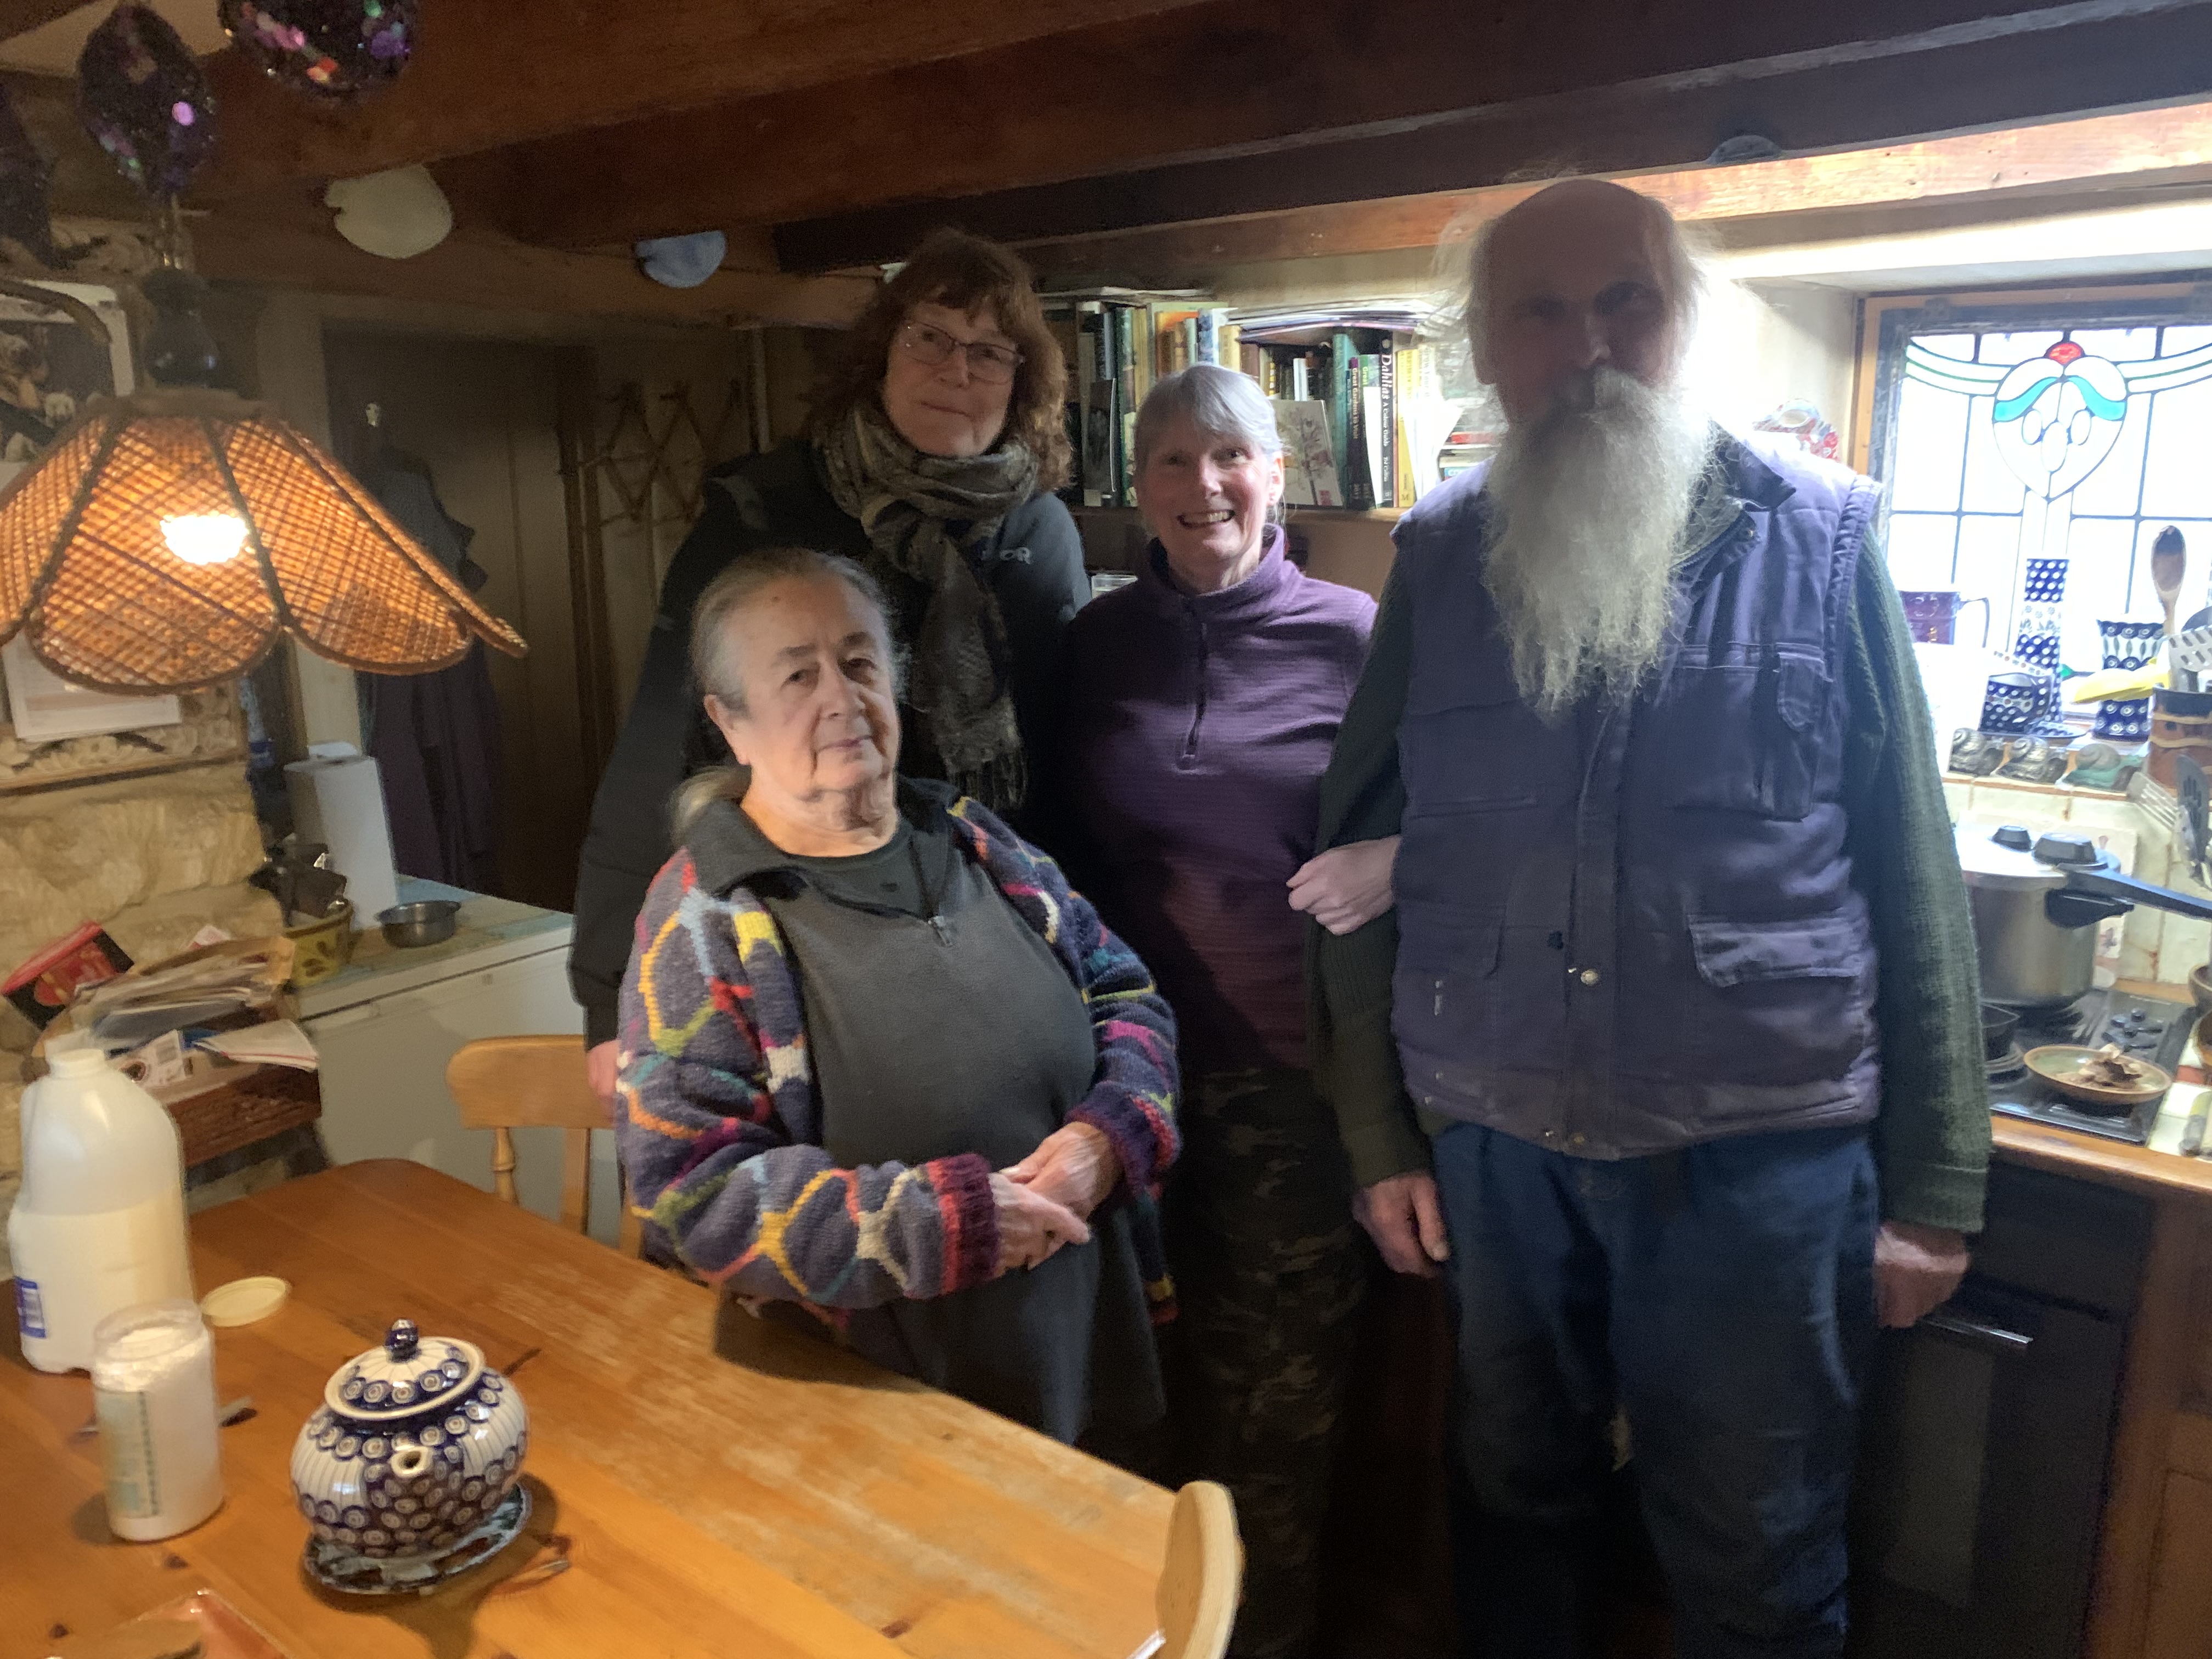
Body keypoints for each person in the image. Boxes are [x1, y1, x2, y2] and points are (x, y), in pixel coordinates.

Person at [1310, 178, 1991, 1657]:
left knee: (1761, 1556)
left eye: (1629, 301)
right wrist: (1380, 1141)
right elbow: (1350, 866)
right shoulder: (1434, 560)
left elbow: (1912, 864)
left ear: (1688, 321)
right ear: (1485, 346)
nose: (1592, 346)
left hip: (1762, 1161)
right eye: (1543, 312)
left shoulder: (1824, 538)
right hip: (1494, 1148)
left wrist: (1936, 1183)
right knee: (1509, 1512)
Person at [615, 547, 1177, 1443]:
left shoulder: (971, 837)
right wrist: (947, 1224)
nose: (841, 698)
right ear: (731, 722)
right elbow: (692, 1198)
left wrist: (1107, 1141)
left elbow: (1129, 996)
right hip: (879, 1405)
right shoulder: (706, 917)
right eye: (798, 676)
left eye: (859, 662)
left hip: (1080, 1338)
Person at [574, 229, 1091, 1107]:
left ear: (1023, 381)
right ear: (880, 354)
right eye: (929, 337)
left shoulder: (1041, 533)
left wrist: (1070, 943)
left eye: (990, 351)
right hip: (796, 922)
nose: (956, 369)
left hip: (977, 918)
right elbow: (663, 740)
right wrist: (609, 992)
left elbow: (1061, 756)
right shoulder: (765, 512)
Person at [1060, 365, 1396, 1659]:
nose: (1204, 486)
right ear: (1138, 487)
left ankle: (1261, 1642)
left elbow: (1467, 812)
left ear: (1278, 473)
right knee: (1136, 1392)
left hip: (1291, 1084)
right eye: (1172, 461)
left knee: (1275, 1412)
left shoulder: (1356, 635)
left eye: (1230, 456)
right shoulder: (1093, 645)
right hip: (1118, 1079)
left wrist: (1401, 856)